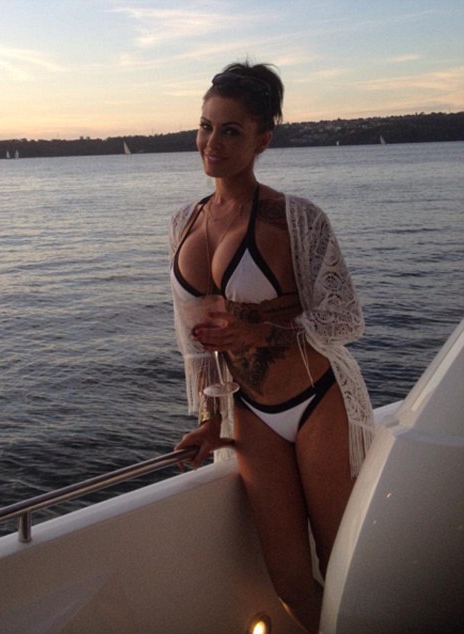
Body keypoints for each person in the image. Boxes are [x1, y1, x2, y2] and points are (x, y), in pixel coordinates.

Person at [169, 61, 375, 633]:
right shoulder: (184, 223)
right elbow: (197, 343)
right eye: (206, 126)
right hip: (250, 411)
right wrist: (210, 419)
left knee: (342, 563)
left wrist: (262, 331)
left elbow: (344, 316)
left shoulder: (295, 218)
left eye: (231, 130)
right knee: (288, 582)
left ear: (263, 139)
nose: (212, 142)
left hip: (317, 400)